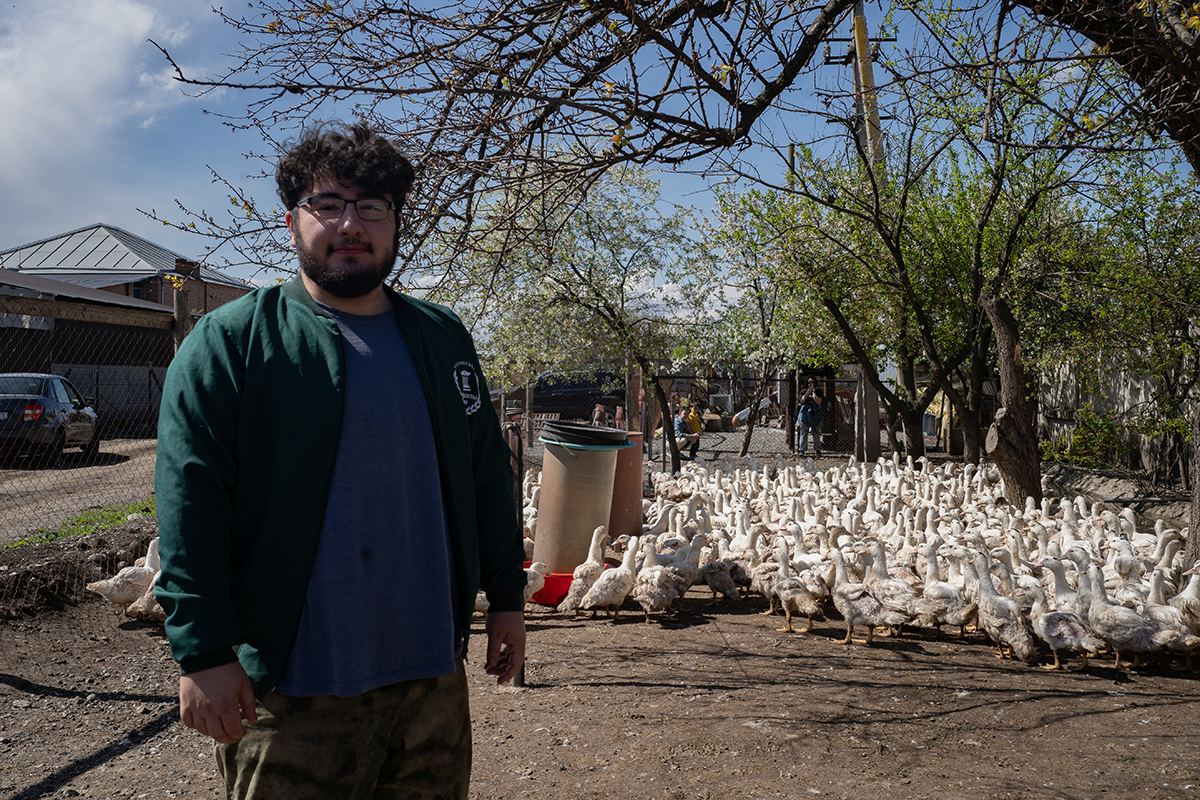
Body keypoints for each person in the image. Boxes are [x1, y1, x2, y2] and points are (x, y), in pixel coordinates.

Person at [153, 122, 527, 800]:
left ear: (396, 221)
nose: (350, 223)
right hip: (290, 694)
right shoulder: (232, 344)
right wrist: (204, 652)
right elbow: (189, 503)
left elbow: (485, 477)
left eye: (372, 206)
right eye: (328, 205)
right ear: (292, 220)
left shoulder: (442, 338)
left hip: (431, 684)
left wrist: (506, 599)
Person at [797, 376, 824, 455]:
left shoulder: (818, 391)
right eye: (809, 382)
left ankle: (817, 450)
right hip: (805, 413)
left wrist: (813, 393)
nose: (811, 384)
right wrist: (807, 393)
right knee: (803, 431)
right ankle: (802, 449)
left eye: (812, 382)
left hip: (815, 413)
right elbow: (801, 400)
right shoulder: (803, 391)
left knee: (816, 431)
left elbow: (819, 401)